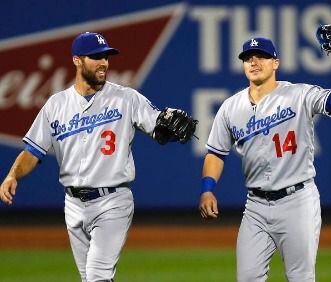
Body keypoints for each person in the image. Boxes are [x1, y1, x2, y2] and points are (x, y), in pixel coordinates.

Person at [0, 31, 196, 282]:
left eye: (106, 56)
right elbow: (33, 151)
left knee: (97, 276)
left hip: (112, 201)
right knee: (90, 279)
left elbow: (158, 128)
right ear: (77, 60)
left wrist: (168, 128)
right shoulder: (56, 105)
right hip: (72, 204)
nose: (104, 62)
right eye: (96, 57)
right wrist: (12, 175)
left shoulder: (126, 98)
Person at [199, 36, 331, 281]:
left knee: (301, 277)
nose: (254, 61)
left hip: (297, 202)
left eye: (261, 56)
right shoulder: (230, 107)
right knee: (247, 277)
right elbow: (216, 153)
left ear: (276, 63)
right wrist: (208, 188)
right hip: (255, 207)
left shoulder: (299, 94)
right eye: (248, 58)